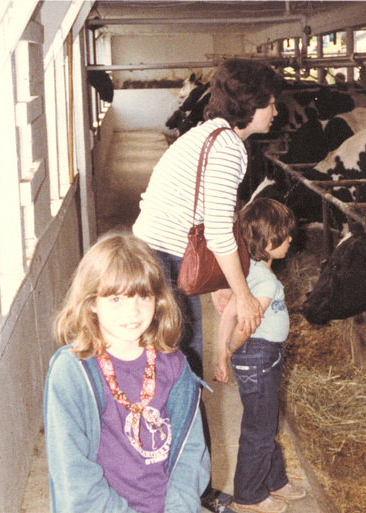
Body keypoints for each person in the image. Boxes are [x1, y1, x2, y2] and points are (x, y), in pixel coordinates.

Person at [133, 58, 283, 379]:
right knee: (184, 365)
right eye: (270, 104)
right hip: (163, 260)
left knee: (178, 358)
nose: (276, 112)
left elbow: (203, 215)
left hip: (156, 253)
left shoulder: (209, 134)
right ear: (250, 105)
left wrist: (219, 282)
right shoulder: (228, 148)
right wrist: (244, 297)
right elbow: (217, 233)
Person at [44, 233, 210, 513]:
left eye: (143, 295)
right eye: (116, 298)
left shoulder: (175, 365)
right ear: (91, 302)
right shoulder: (72, 373)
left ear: (158, 300)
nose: (133, 311)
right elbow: (74, 477)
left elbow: (189, 457)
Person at [214, 198, 306, 513]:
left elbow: (227, 312)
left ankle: (275, 480)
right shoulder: (265, 281)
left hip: (261, 359)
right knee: (260, 428)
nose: (291, 239)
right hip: (259, 358)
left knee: (265, 421)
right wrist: (230, 348)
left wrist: (220, 355)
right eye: (285, 235)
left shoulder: (247, 271)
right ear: (267, 242)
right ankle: (249, 495)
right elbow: (245, 325)